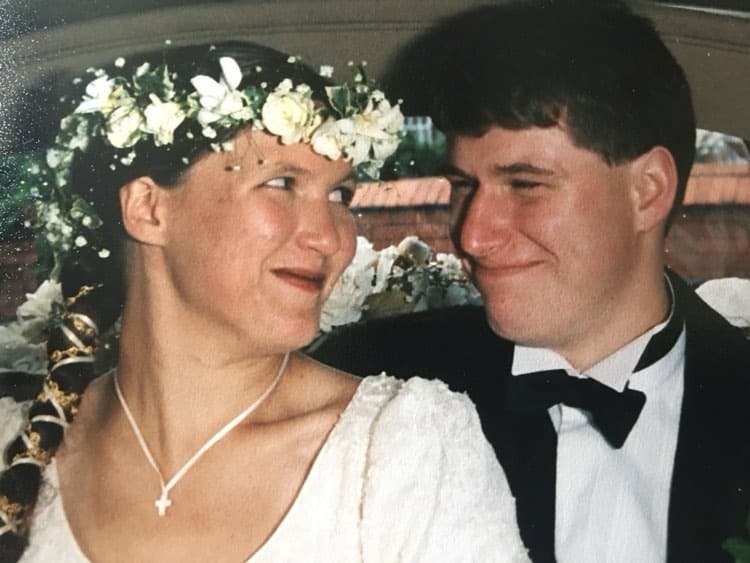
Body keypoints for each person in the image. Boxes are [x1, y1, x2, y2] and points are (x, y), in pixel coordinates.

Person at [0, 42, 529, 562]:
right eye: (281, 182)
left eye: (340, 196)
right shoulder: (17, 443)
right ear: (148, 209)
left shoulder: (401, 448)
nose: (331, 238)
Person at [311, 1, 750, 562]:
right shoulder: (366, 384)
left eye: (524, 185)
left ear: (648, 191)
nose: (472, 236)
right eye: (463, 186)